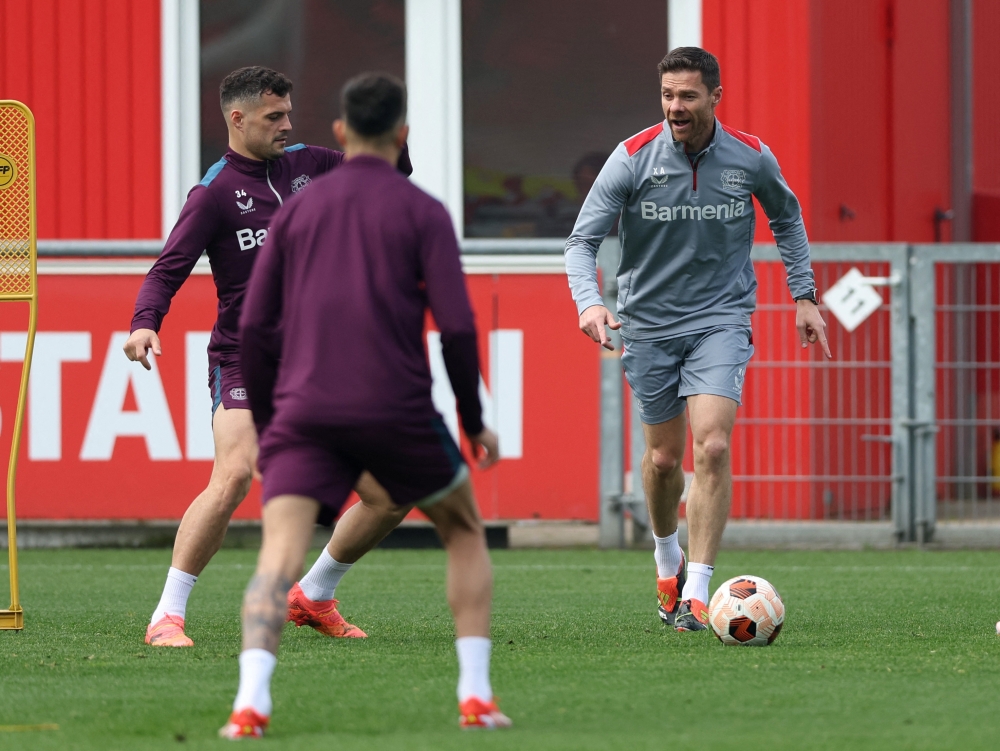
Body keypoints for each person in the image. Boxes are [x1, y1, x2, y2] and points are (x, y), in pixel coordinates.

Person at [219, 72, 509, 739]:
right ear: (402, 134)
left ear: (342, 133)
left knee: (276, 556)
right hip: (396, 407)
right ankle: (474, 694)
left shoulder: (295, 210)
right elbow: (458, 328)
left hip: (303, 410)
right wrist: (470, 417)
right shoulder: (422, 210)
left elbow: (257, 328)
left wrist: (268, 422)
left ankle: (251, 703)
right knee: (463, 530)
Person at [124, 66, 412, 648]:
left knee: (393, 491)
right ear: (237, 119)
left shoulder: (312, 164)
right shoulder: (212, 195)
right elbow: (166, 271)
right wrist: (143, 325)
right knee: (232, 476)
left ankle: (313, 594)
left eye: (288, 113)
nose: (287, 125)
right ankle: (166, 617)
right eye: (273, 117)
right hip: (245, 360)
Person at [564, 47, 830, 632]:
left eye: (687, 96)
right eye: (667, 96)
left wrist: (804, 295)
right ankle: (668, 562)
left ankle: (698, 593)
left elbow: (787, 216)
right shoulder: (632, 157)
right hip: (649, 325)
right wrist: (589, 303)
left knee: (711, 446)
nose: (675, 107)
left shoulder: (751, 156)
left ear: (714, 97)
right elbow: (581, 242)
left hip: (721, 319)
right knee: (664, 460)